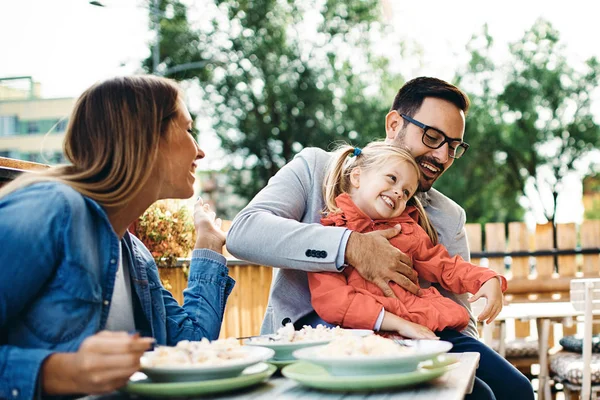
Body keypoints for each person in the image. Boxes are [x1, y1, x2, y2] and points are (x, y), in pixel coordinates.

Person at [227, 77, 533, 399]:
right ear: (394, 123)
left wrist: (462, 366)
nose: (443, 157)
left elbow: (459, 309)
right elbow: (244, 232)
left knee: (513, 389)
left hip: (419, 332)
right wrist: (350, 245)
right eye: (432, 137)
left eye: (453, 147)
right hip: (319, 335)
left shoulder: (447, 215)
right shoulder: (315, 168)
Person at [0, 75, 235, 400]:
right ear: (147, 136)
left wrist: (208, 246)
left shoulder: (135, 254)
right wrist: (60, 372)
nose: (201, 152)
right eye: (188, 129)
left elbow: (191, 347)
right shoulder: (51, 210)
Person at [308, 143, 532, 400]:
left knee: (518, 388)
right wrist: (402, 325)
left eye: (406, 192)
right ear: (357, 176)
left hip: (429, 327)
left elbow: (442, 264)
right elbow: (333, 301)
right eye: (391, 179)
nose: (397, 193)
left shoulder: (407, 231)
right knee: (480, 395)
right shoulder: (330, 238)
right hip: (373, 340)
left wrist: (486, 278)